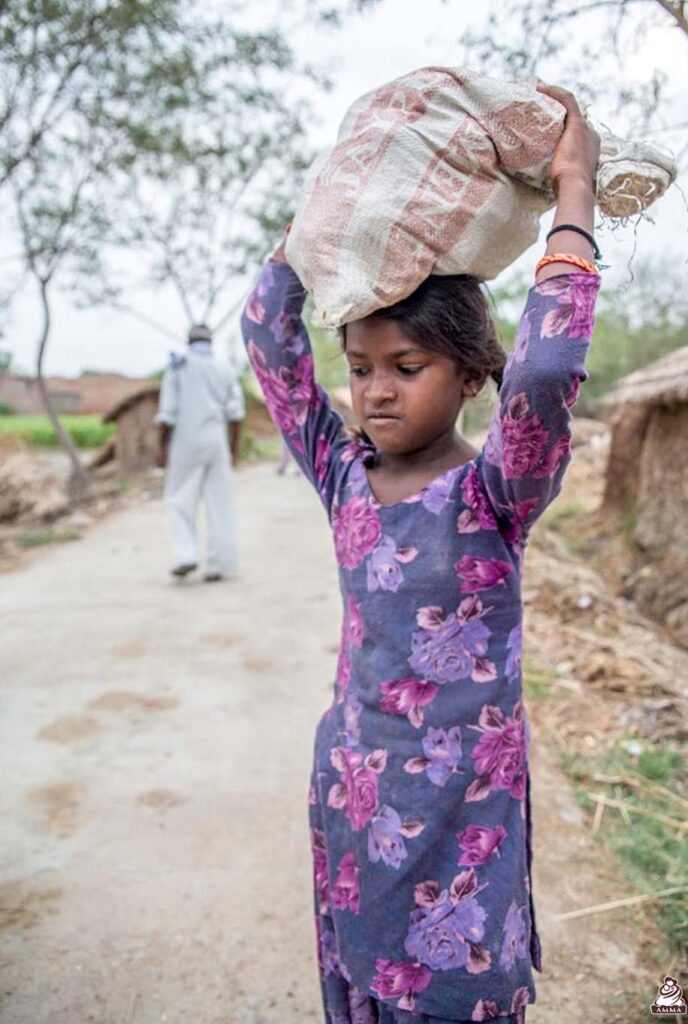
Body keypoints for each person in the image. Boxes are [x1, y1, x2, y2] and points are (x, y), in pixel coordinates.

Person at [241, 85, 601, 1024]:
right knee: (363, 984)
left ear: (471, 374)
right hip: (356, 789)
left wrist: (573, 194)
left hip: (461, 818)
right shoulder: (340, 471)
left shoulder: (495, 495)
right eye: (360, 368)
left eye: (408, 368)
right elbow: (269, 338)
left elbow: (550, 371)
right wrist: (322, 224)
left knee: (453, 991)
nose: (375, 394)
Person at [155, 322, 245, 581]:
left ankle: (186, 555)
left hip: (185, 441)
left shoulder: (178, 368)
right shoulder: (224, 370)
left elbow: (167, 413)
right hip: (216, 441)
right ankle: (221, 565)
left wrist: (162, 448)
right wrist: (233, 450)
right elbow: (236, 414)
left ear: (189, 340)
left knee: (178, 500)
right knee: (220, 503)